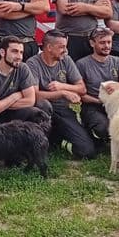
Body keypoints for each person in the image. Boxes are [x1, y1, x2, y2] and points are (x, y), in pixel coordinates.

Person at [25, 30, 94, 159]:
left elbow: (82, 88)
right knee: (43, 105)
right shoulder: (33, 63)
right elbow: (34, 94)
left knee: (87, 151)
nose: (65, 50)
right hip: (43, 110)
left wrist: (63, 87)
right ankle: (38, 144)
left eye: (66, 46)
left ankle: (57, 140)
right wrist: (61, 93)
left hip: (64, 110)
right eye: (61, 47)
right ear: (49, 47)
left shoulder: (66, 60)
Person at [75, 27, 119, 148]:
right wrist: (99, 101)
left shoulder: (118, 61)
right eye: (102, 42)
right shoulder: (82, 64)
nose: (107, 46)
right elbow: (81, 94)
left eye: (109, 42)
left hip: (116, 104)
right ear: (92, 43)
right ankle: (94, 133)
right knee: (104, 128)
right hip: (93, 105)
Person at [0, 35, 46, 124]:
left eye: (21, 52)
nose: (19, 57)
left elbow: (30, 100)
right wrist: (15, 96)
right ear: (2, 52)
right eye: (14, 51)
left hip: (14, 111)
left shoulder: (23, 67)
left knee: (40, 108)